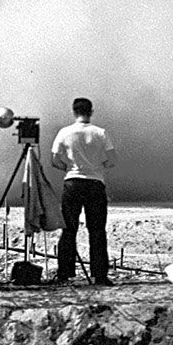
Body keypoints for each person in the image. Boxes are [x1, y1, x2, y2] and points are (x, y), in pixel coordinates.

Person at [50, 97, 117, 285]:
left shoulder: (65, 132)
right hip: (95, 183)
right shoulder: (100, 133)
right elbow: (112, 160)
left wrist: (70, 168)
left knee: (68, 229)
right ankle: (100, 275)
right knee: (96, 230)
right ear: (91, 112)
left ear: (74, 112)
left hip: (72, 182)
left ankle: (64, 273)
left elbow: (54, 159)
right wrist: (97, 167)